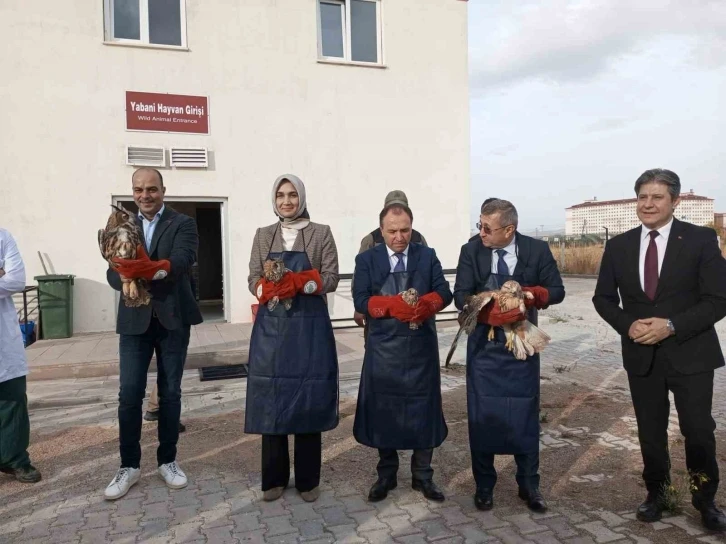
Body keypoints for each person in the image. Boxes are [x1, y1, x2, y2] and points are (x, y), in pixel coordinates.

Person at [592, 168, 726, 531]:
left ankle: (705, 500)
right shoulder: (619, 246)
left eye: (657, 197)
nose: (648, 204)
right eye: (642, 197)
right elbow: (602, 298)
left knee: (698, 430)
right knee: (650, 431)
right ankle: (656, 493)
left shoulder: (700, 240)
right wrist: (627, 324)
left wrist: (671, 325)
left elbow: (719, 299)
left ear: (675, 201)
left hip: (691, 353)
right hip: (641, 356)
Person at [453, 199, 564, 513]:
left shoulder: (535, 251)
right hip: (483, 350)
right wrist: (487, 307)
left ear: (509, 229)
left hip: (522, 347)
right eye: (480, 225)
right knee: (482, 417)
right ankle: (484, 486)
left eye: (487, 228)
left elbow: (557, 289)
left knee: (524, 416)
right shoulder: (470, 251)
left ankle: (529, 485)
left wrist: (531, 295)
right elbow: (460, 294)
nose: (482, 233)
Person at [103, 168, 202, 500]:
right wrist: (124, 276)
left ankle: (168, 461)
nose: (145, 195)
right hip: (134, 319)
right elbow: (111, 270)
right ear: (132, 192)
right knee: (129, 394)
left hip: (172, 317)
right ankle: (129, 466)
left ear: (163, 190)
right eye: (139, 189)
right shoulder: (121, 225)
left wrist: (138, 270)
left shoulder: (183, 222)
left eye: (152, 189)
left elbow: (181, 262)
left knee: (170, 393)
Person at [246, 174, 339, 503]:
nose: (287, 201)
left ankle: (308, 481)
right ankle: (273, 479)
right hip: (272, 329)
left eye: (292, 195)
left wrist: (300, 283)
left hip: (309, 329)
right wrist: (264, 288)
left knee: (308, 399)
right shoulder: (263, 235)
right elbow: (252, 276)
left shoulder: (321, 233)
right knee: (272, 400)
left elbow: (331, 277)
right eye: (281, 195)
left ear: (301, 197)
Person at [353, 202, 452, 503]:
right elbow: (360, 299)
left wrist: (429, 304)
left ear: (412, 227)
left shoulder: (427, 255)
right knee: (385, 413)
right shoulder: (367, 259)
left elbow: (445, 292)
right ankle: (387, 476)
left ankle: (423, 476)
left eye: (405, 230)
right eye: (393, 231)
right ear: (381, 230)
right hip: (383, 349)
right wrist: (388, 306)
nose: (399, 237)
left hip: (420, 348)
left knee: (423, 412)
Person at [0, 229, 41, 483]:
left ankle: (15, 460)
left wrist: (6, 275)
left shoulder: (2, 237)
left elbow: (15, 281)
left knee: (12, 398)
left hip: (2, 337)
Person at [353, 190, 427, 328]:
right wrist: (359, 308)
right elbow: (359, 277)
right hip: (380, 317)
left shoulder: (418, 239)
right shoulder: (371, 239)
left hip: (415, 316)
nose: (399, 237)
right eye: (392, 232)